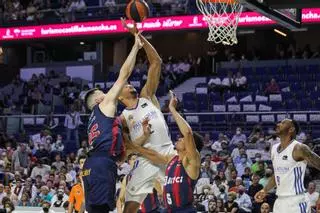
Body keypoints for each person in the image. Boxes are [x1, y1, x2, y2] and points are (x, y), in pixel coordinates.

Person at [119, 20, 176, 213]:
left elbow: (156, 62)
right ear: (119, 96)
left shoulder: (146, 97)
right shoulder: (123, 117)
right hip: (145, 160)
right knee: (130, 207)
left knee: (178, 203)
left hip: (168, 153)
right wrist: (140, 141)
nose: (130, 85)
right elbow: (126, 147)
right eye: (126, 85)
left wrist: (138, 36)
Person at [82, 33, 143, 213]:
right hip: (101, 165)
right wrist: (135, 48)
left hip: (92, 166)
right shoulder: (105, 104)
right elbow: (123, 75)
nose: (108, 93)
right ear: (98, 99)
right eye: (103, 92)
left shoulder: (93, 119)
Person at [126, 91, 204, 213]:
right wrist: (135, 143)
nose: (179, 138)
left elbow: (188, 133)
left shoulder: (192, 161)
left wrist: (172, 109)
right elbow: (152, 155)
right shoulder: (172, 159)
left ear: (190, 145)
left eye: (182, 139)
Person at [255, 119, 320, 213]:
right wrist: (264, 190)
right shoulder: (274, 149)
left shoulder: (299, 148)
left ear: (291, 129)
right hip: (279, 202)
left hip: (296, 201)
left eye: (283, 123)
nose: (278, 124)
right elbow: (277, 175)